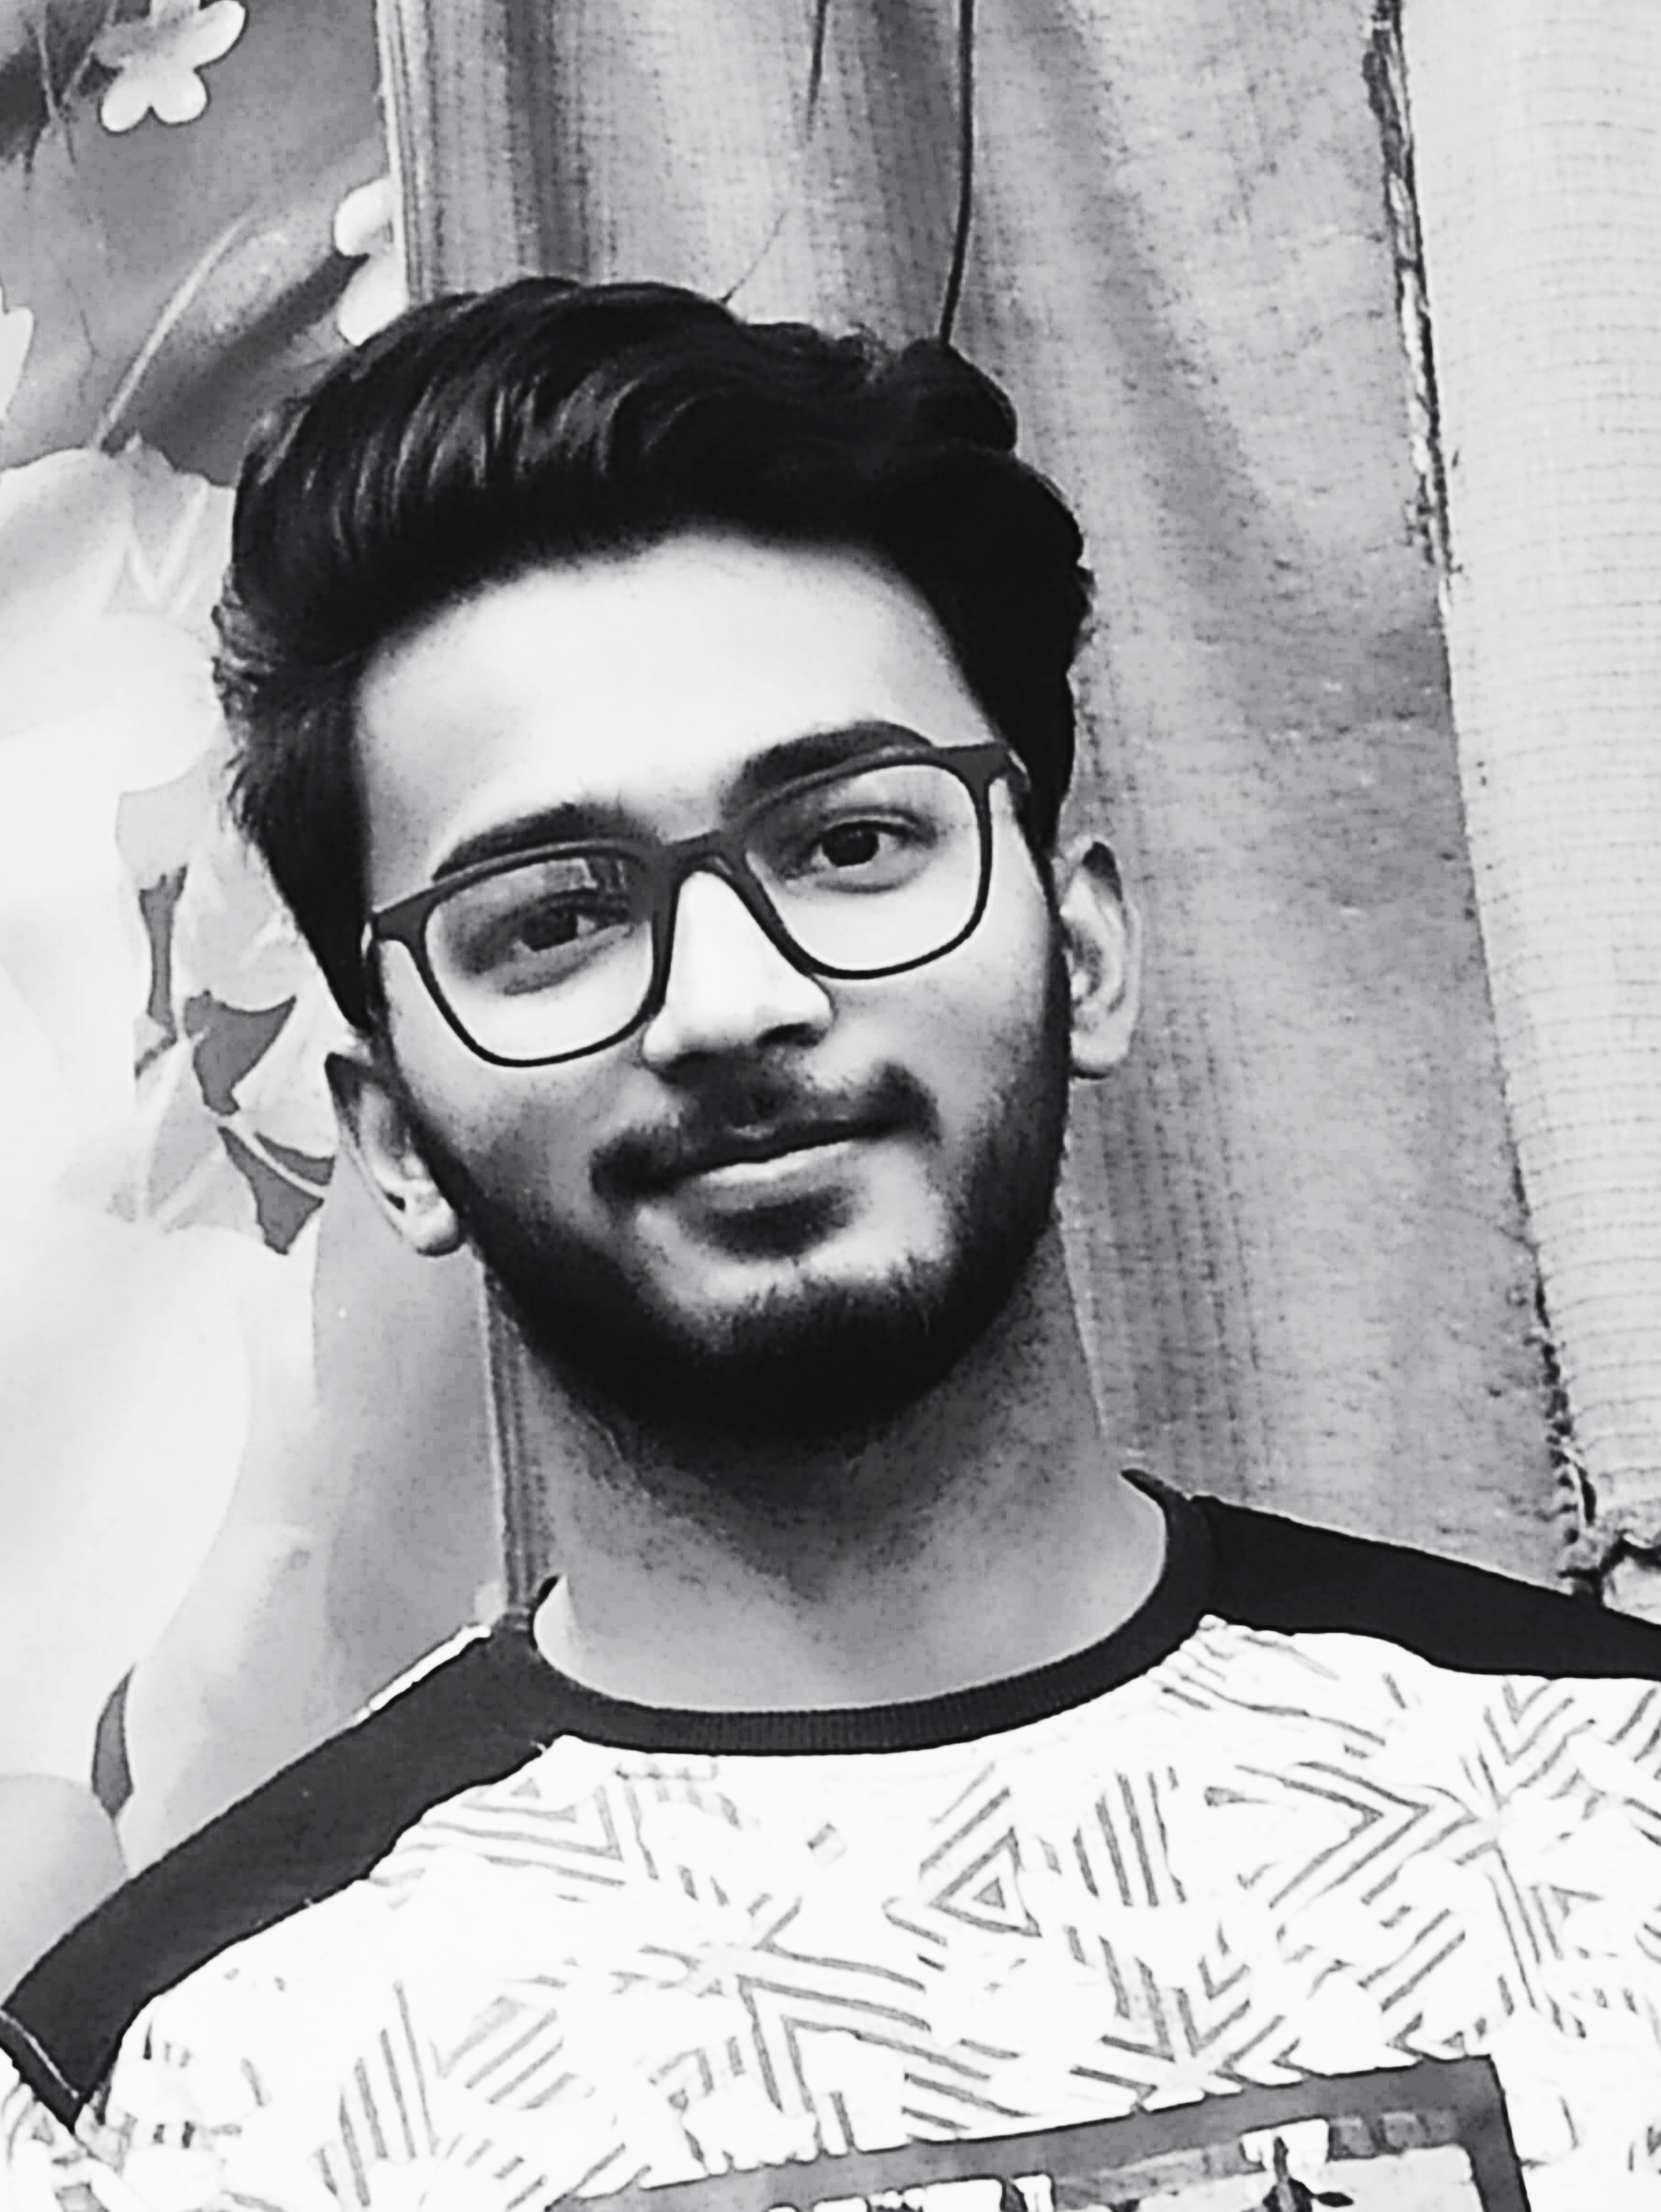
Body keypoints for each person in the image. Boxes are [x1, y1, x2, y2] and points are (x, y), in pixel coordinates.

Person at [5, 277, 1661, 2212]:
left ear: (1083, 948)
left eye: (849, 841)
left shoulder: (1614, 1820)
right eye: (551, 918)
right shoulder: (170, 2104)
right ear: (392, 1136)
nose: (733, 1001)